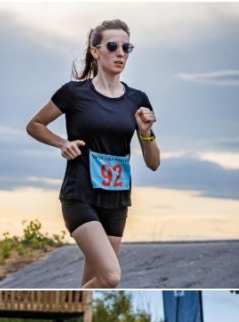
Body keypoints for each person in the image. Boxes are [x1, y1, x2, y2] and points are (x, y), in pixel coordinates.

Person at [26, 19, 159, 288]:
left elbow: (153, 163)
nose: (121, 53)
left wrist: (146, 132)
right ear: (95, 51)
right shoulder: (74, 93)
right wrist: (62, 143)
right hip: (80, 195)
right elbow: (35, 125)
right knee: (111, 277)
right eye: (112, 46)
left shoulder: (137, 99)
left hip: (117, 200)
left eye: (127, 47)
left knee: (92, 282)